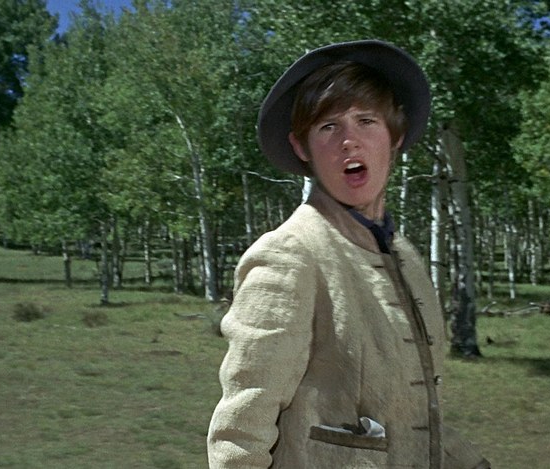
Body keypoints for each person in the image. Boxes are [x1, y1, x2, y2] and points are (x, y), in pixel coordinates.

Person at [207, 39, 490, 469]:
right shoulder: (288, 255)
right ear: (302, 148)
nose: (349, 141)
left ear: (395, 137)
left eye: (366, 121)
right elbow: (241, 433)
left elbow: (418, 417)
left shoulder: (405, 258)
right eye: (328, 127)